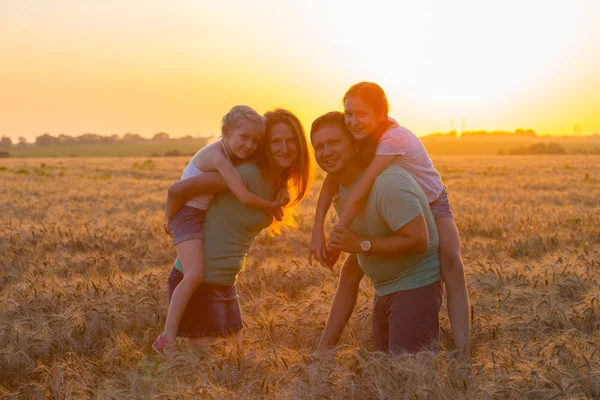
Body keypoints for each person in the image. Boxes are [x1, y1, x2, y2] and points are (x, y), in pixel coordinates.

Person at [309, 82, 470, 358]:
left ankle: (464, 349)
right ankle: (323, 350)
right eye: (349, 114)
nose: (354, 120)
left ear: (381, 114)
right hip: (401, 210)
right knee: (351, 270)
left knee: (452, 265)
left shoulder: (391, 142)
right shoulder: (359, 140)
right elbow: (331, 179)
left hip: (434, 203)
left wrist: (341, 237)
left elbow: (363, 188)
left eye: (362, 114)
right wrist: (318, 229)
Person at [154, 109, 313, 355]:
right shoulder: (244, 174)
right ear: (266, 146)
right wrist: (171, 222)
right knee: (207, 375)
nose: (284, 147)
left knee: (235, 367)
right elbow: (178, 190)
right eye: (276, 141)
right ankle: (164, 341)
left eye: (291, 140)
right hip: (201, 284)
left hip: (227, 284)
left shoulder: (278, 185)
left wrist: (282, 193)